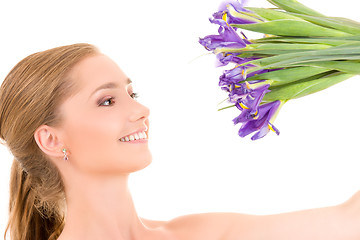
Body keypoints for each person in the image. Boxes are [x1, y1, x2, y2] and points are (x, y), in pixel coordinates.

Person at [1, 43, 359, 240]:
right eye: (107, 101)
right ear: (50, 139)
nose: (142, 109)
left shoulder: (198, 233)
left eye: (132, 92)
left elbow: (348, 221)